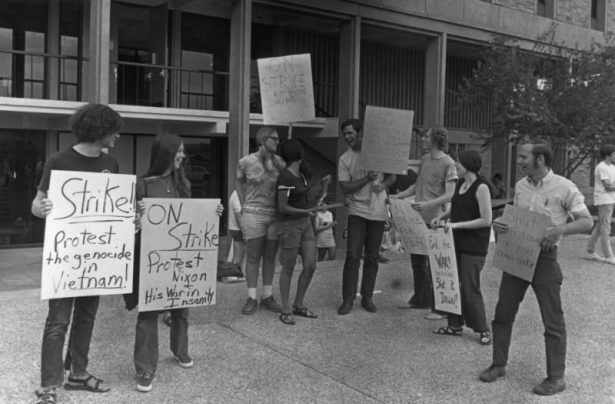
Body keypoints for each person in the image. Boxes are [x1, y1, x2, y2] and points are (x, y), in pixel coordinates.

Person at [479, 140, 593, 396]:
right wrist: (501, 224)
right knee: (502, 314)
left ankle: (556, 377)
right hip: (518, 256)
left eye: (523, 157)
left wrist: (559, 230)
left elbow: (587, 222)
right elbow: (518, 219)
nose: (519, 161)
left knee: (553, 320)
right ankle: (498, 365)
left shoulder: (565, 187)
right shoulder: (520, 186)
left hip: (545, 260)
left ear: (539, 159)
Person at [31, 104, 123, 404]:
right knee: (58, 321)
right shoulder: (58, 160)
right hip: (67, 258)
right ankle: (49, 384)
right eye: (113, 130)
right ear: (99, 130)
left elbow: (115, 211)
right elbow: (37, 202)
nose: (117, 136)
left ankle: (78, 374)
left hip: (97, 257)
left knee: (87, 316)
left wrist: (128, 219)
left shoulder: (112, 164)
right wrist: (40, 209)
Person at [133, 134, 223, 393]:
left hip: (180, 257)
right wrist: (136, 222)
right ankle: (145, 368)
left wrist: (211, 214)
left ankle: (180, 351)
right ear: (167, 153)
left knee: (182, 306)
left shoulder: (183, 183)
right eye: (180, 151)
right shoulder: (143, 184)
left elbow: (189, 217)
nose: (183, 156)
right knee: (149, 312)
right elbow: (132, 220)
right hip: (153, 258)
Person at [390, 127, 457, 320]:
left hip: (435, 219)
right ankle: (421, 299)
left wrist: (427, 204)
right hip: (418, 217)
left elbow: (450, 193)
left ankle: (440, 307)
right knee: (418, 262)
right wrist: (398, 196)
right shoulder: (426, 160)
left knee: (434, 264)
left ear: (436, 140)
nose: (423, 139)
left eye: (426, 137)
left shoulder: (448, 163)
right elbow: (416, 186)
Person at [430, 150, 492, 345]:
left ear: (468, 164)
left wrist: (457, 225)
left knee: (470, 286)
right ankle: (454, 324)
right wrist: (441, 218)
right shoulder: (460, 184)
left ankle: (483, 329)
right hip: (454, 243)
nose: (456, 164)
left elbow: (486, 219)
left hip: (474, 246)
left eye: (459, 162)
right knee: (450, 283)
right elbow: (456, 208)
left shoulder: (481, 188)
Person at [337, 118, 396, 315]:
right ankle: (348, 299)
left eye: (350, 133)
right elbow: (345, 186)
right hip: (357, 210)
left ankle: (367, 297)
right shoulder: (345, 159)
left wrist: (383, 184)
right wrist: (366, 179)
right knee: (353, 255)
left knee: (372, 256)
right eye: (345, 134)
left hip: (378, 211)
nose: (347, 137)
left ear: (360, 132)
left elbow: (392, 176)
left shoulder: (378, 152)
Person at [236, 126, 285, 315]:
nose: (277, 142)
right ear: (263, 139)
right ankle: (251, 297)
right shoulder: (246, 161)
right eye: (274, 138)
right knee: (253, 256)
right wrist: (242, 204)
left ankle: (267, 295)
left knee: (270, 257)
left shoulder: (280, 162)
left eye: (278, 139)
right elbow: (238, 181)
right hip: (253, 214)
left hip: (274, 215)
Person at [275, 139, 319, 325]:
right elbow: (282, 207)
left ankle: (298, 304)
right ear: (297, 154)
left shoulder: (302, 174)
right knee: (289, 267)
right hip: (290, 225)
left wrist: (320, 190)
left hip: (305, 223)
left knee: (310, 265)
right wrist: (305, 212)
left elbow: (304, 199)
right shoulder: (285, 177)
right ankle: (285, 309)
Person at [585, 144, 615, 264]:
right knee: (605, 227)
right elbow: (608, 186)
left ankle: (589, 251)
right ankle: (608, 256)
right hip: (604, 200)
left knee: (600, 227)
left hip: (610, 200)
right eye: (614, 153)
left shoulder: (612, 167)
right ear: (607, 155)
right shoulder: (601, 167)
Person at [228, 189, 246, 269]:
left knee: (238, 255)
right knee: (238, 256)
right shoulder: (238, 194)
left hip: (237, 228)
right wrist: (245, 234)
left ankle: (236, 271)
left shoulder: (236, 193)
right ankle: (235, 272)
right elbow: (239, 216)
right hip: (238, 229)